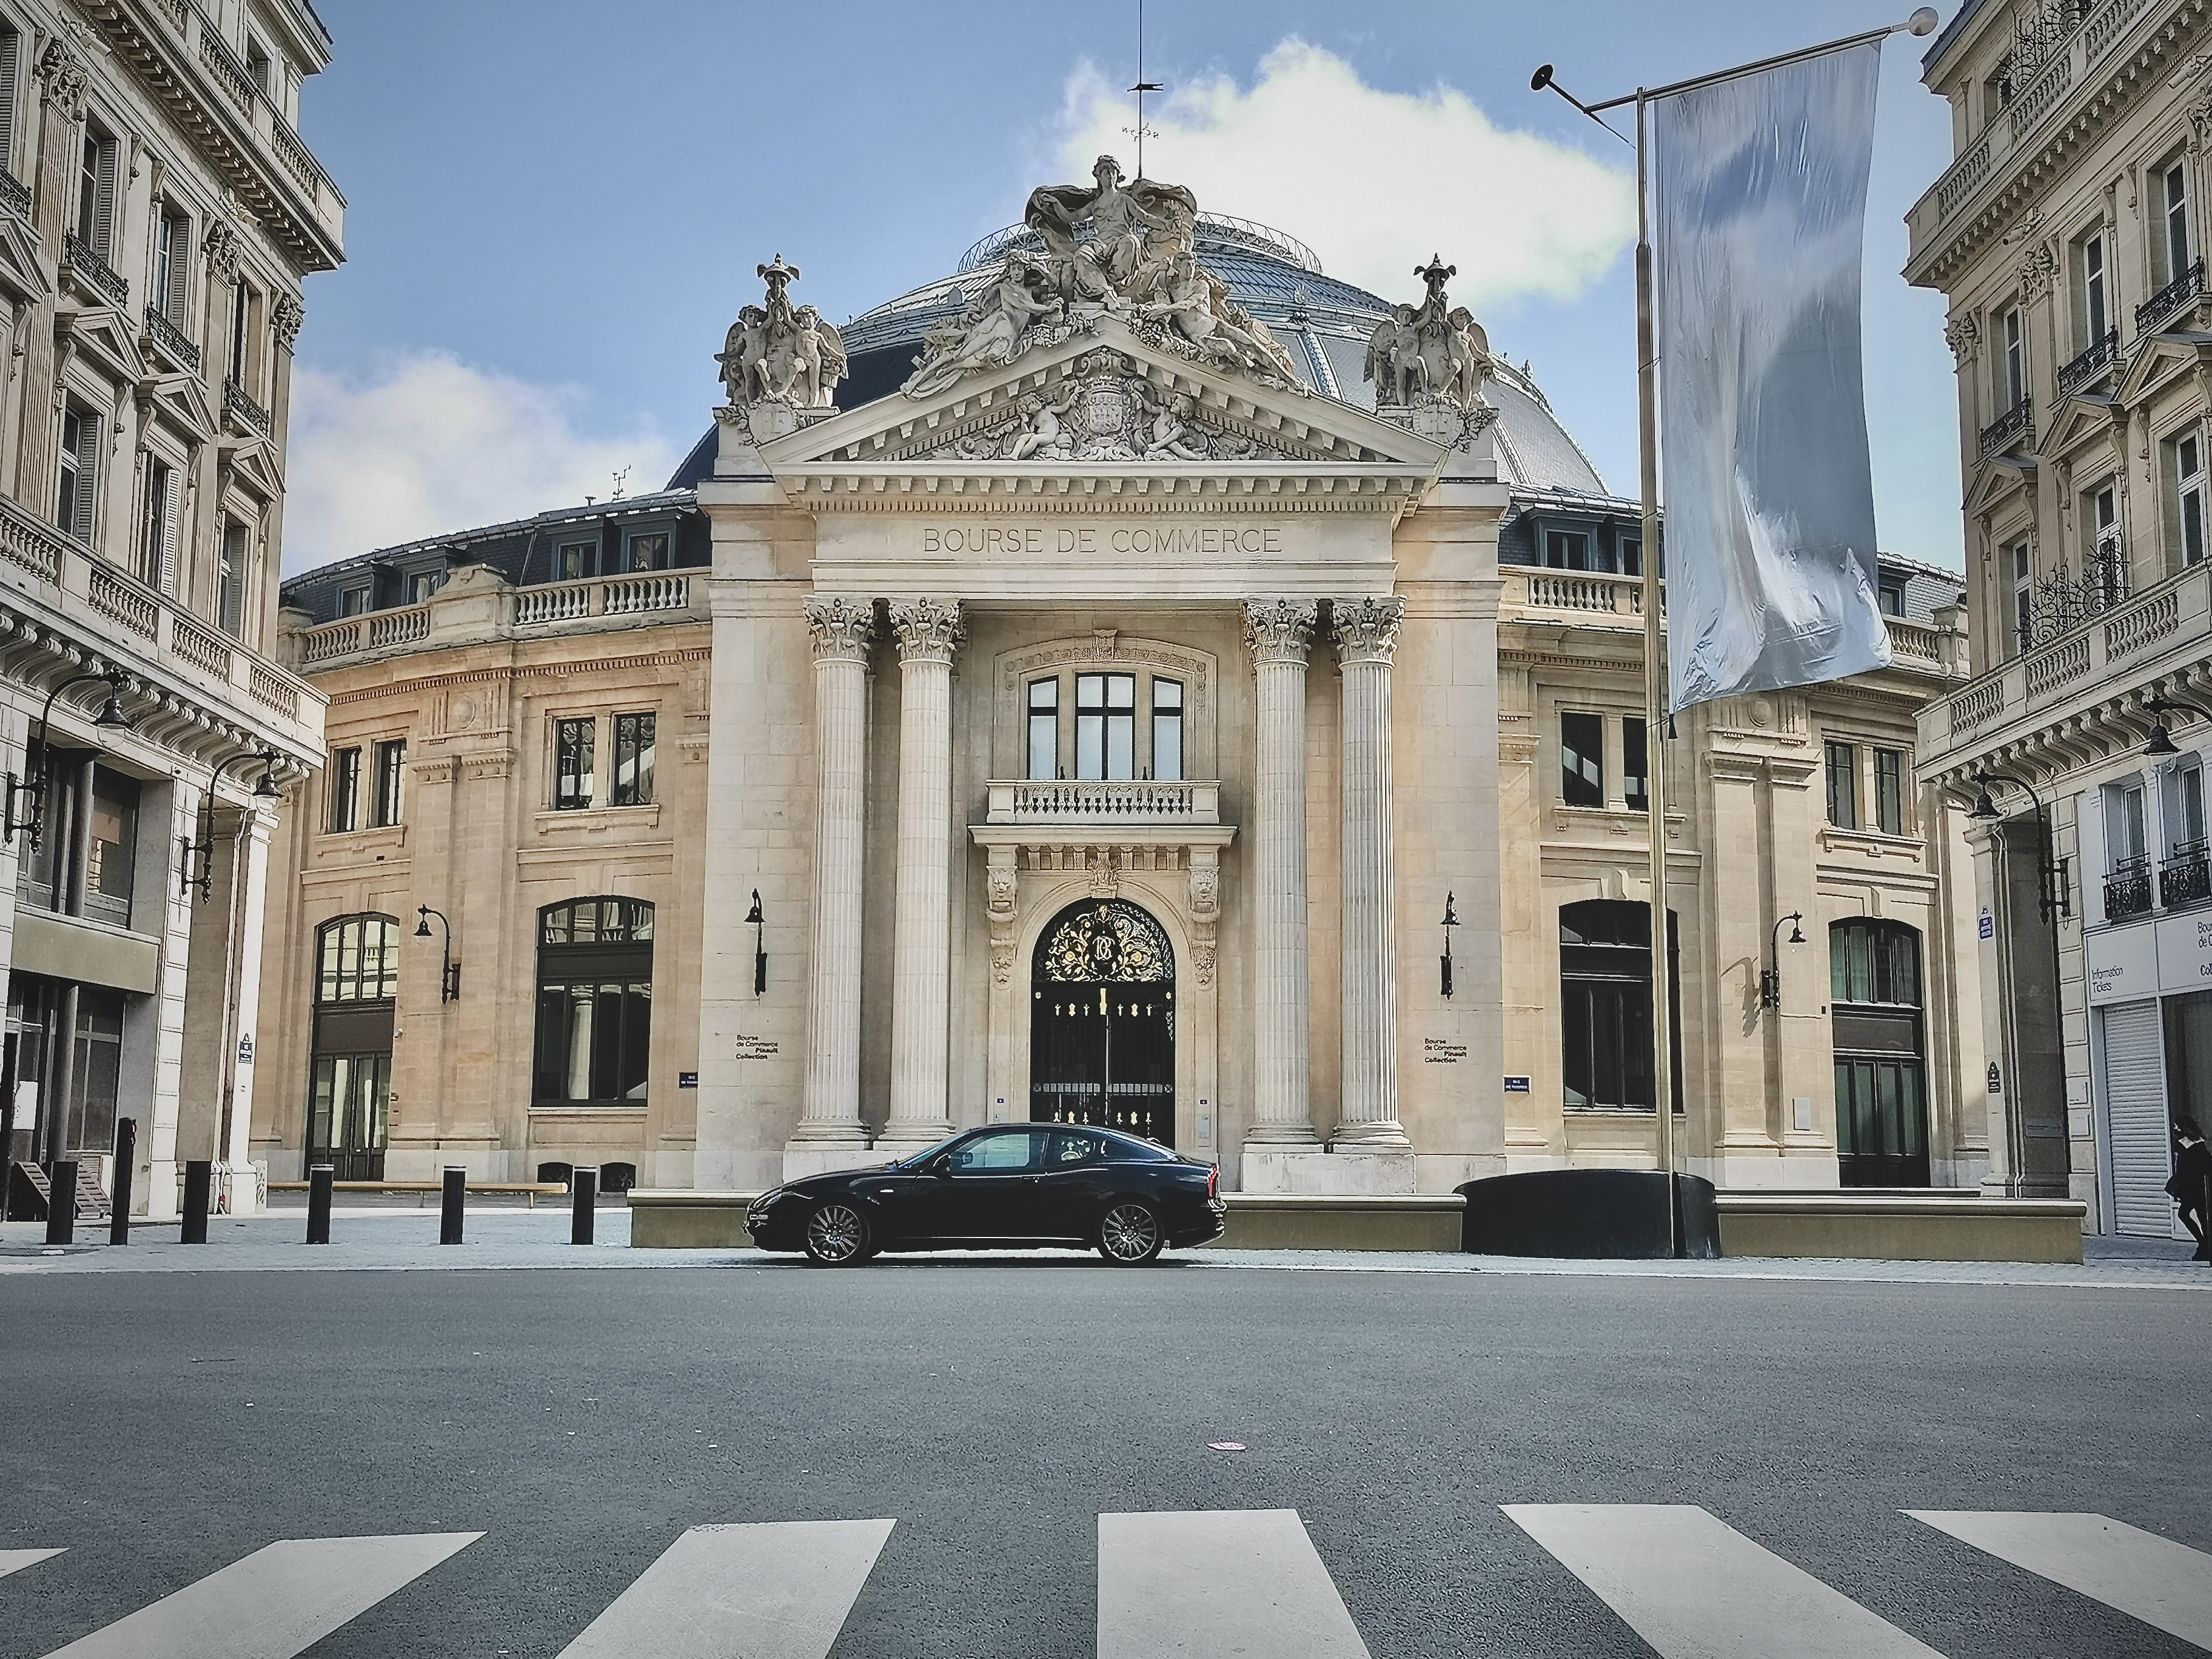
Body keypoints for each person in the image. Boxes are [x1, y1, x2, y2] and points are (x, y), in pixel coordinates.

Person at [2171, 1116, 2212, 1262]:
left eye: (2177, 1126)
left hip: (2193, 1188)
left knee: (2184, 1214)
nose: (2175, 1129)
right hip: (2199, 1187)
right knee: (2202, 1217)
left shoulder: (2186, 1145)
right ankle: (2206, 1246)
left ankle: (2204, 1244)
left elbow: (2183, 1169)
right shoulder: (2199, 1144)